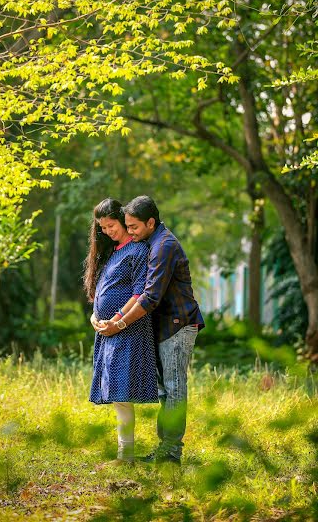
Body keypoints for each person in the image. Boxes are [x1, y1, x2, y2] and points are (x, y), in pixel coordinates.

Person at [98, 195, 204, 465]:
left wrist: (119, 323)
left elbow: (149, 297)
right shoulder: (152, 242)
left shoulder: (163, 246)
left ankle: (171, 453)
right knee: (165, 391)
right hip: (165, 326)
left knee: (174, 388)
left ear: (150, 222)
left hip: (178, 325)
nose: (129, 231)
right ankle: (165, 449)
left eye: (133, 227)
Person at [83, 198, 158, 465]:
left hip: (127, 329)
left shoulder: (138, 251)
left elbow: (140, 292)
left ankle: (125, 456)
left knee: (122, 393)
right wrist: (95, 316)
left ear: (123, 220)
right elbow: (102, 291)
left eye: (111, 225)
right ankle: (123, 454)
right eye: (102, 227)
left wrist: (116, 318)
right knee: (116, 395)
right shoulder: (114, 252)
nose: (107, 231)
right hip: (108, 331)